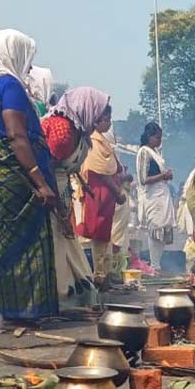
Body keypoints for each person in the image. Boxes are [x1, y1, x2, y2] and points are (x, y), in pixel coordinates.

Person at [0, 28, 59, 322]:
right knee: (28, 243)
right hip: (17, 175)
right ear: (13, 54)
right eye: (27, 59)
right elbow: (17, 136)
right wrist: (41, 182)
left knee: (6, 240)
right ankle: (28, 309)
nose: (29, 67)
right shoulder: (9, 85)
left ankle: (8, 306)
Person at [43, 86, 111, 306]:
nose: (100, 119)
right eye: (99, 113)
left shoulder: (77, 129)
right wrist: (57, 202)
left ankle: (72, 292)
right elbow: (49, 166)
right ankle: (61, 295)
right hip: (51, 191)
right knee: (57, 241)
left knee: (66, 240)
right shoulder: (63, 131)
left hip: (62, 190)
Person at [76, 110, 125, 286]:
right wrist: (118, 192)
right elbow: (101, 171)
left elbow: (114, 168)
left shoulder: (103, 140)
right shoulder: (94, 141)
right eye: (106, 120)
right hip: (98, 192)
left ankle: (103, 273)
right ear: (96, 122)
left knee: (104, 235)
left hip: (106, 194)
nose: (109, 123)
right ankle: (99, 275)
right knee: (98, 233)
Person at [134, 122, 174, 274]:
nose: (159, 141)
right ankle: (154, 265)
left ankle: (156, 264)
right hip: (152, 196)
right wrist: (163, 175)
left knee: (162, 230)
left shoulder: (154, 152)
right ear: (149, 137)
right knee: (155, 229)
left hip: (161, 194)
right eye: (157, 137)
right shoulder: (144, 152)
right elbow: (143, 179)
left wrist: (165, 176)